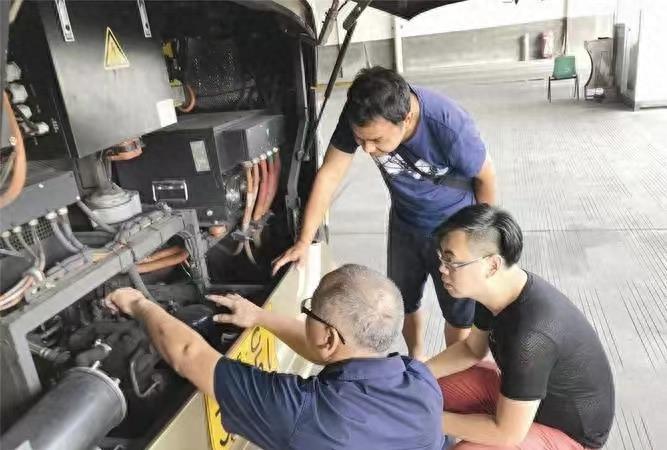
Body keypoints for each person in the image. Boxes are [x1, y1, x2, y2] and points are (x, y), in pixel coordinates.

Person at [273, 66, 497, 360]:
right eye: (361, 139)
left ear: (406, 119)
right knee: (404, 300)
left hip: (454, 229)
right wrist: (303, 241)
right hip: (405, 223)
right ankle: (416, 358)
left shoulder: (449, 127)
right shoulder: (361, 115)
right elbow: (329, 174)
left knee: (458, 311)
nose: (366, 148)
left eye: (376, 140)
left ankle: (448, 374)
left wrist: (480, 243)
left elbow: (487, 179)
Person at [105, 264, 447, 450]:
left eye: (309, 309)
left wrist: (138, 304)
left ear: (328, 335)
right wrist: (260, 318)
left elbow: (188, 354)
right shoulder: (421, 380)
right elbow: (328, 349)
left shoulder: (305, 412)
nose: (307, 314)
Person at [427, 204, 615, 449]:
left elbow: (506, 435)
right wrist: (413, 374)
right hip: (526, 403)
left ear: (491, 265)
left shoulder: (530, 336)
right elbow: (472, 350)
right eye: (442, 258)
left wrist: (426, 419)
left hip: (569, 435)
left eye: (452, 262)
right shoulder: (497, 290)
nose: (442, 269)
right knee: (427, 390)